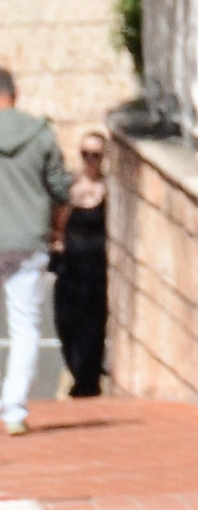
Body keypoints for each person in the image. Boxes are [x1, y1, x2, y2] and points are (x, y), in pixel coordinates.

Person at [0, 70, 70, 435]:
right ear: (16, 93)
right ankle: (13, 410)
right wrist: (57, 229)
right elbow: (61, 189)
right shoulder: (40, 134)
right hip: (28, 240)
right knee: (25, 324)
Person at [54, 131, 107, 398]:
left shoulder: (108, 191)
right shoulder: (69, 188)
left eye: (95, 155)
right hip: (70, 268)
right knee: (66, 322)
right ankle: (77, 371)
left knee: (92, 326)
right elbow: (56, 224)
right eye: (85, 154)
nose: (90, 161)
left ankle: (87, 381)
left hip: (96, 271)